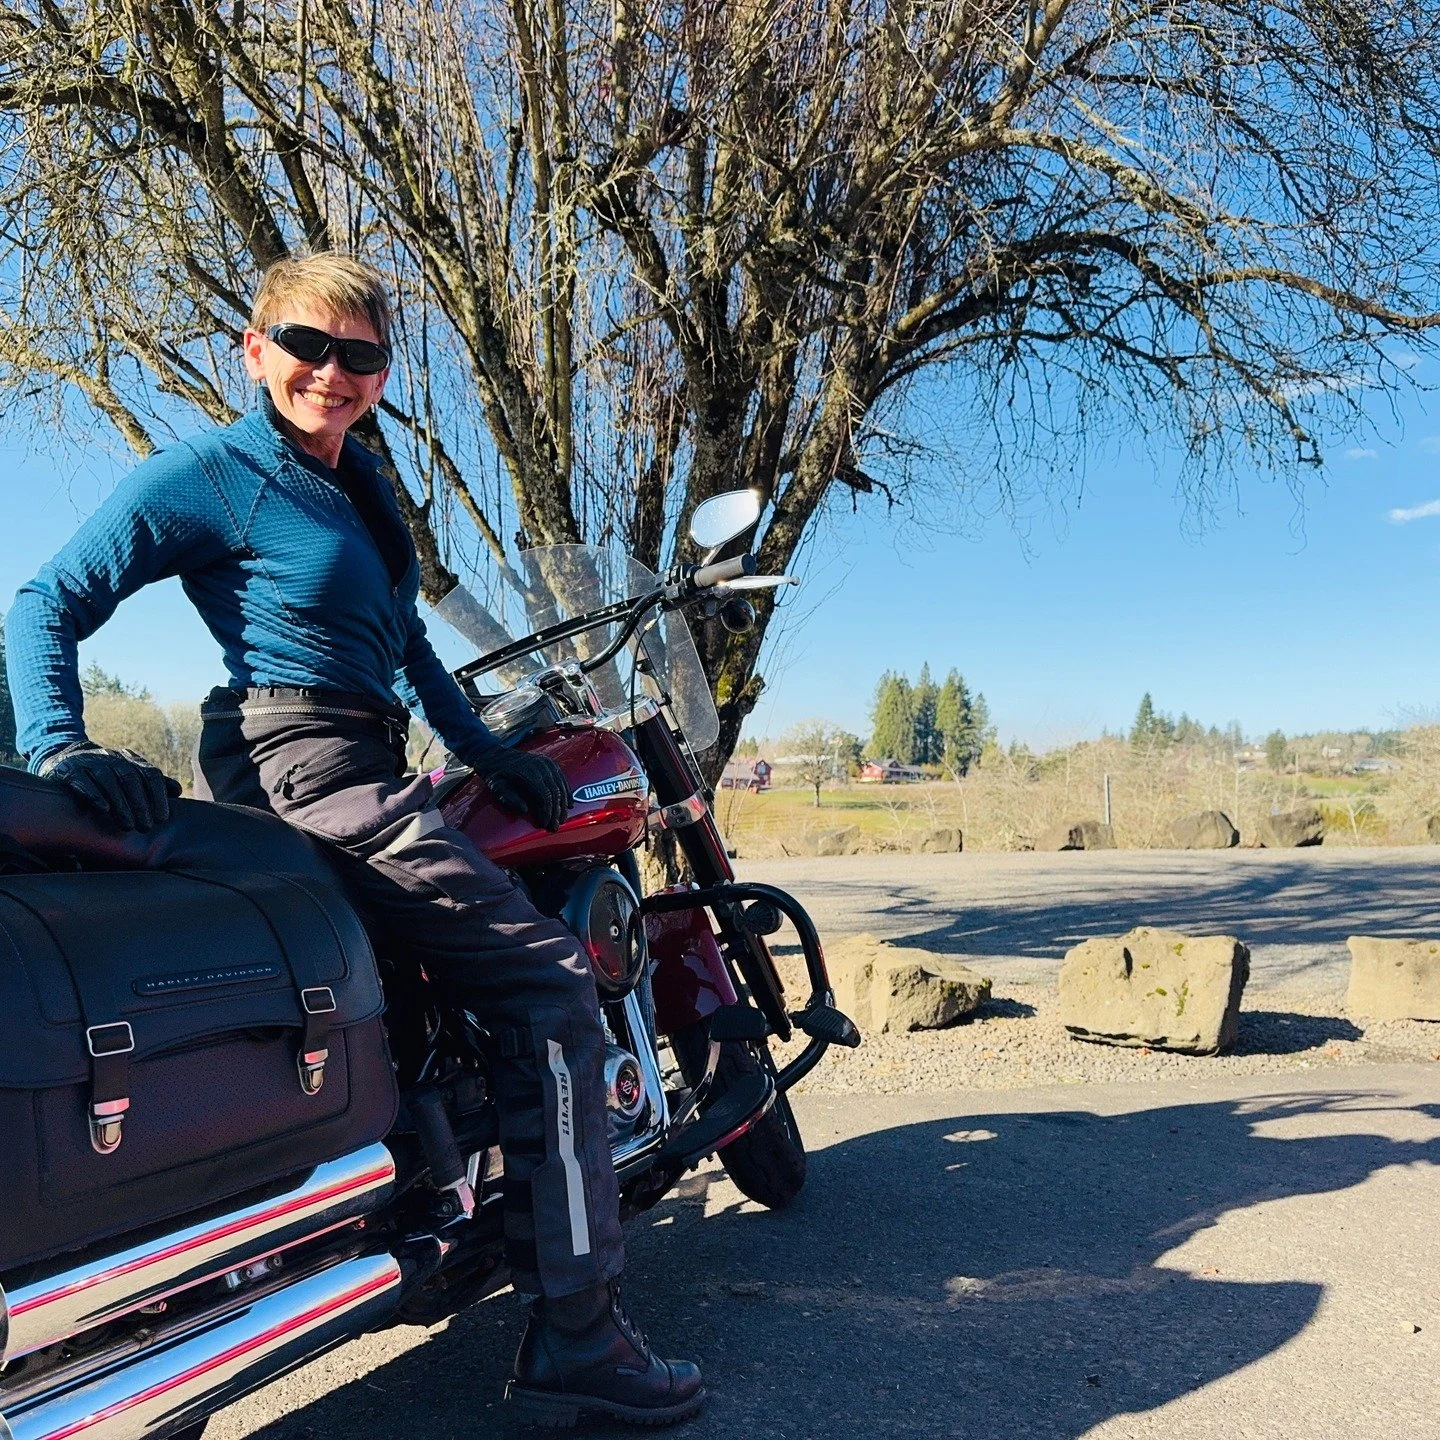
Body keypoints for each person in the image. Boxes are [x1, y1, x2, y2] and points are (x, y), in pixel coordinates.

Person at [5, 253, 704, 1429]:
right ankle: (581, 1329)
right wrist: (59, 747)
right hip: (303, 768)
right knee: (549, 983)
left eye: (360, 355)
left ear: (384, 371)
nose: (330, 373)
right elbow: (48, 600)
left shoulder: (361, 485)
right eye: (305, 344)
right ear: (254, 348)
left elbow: (407, 649)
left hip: (374, 751)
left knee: (479, 962)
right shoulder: (215, 474)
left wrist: (487, 755)